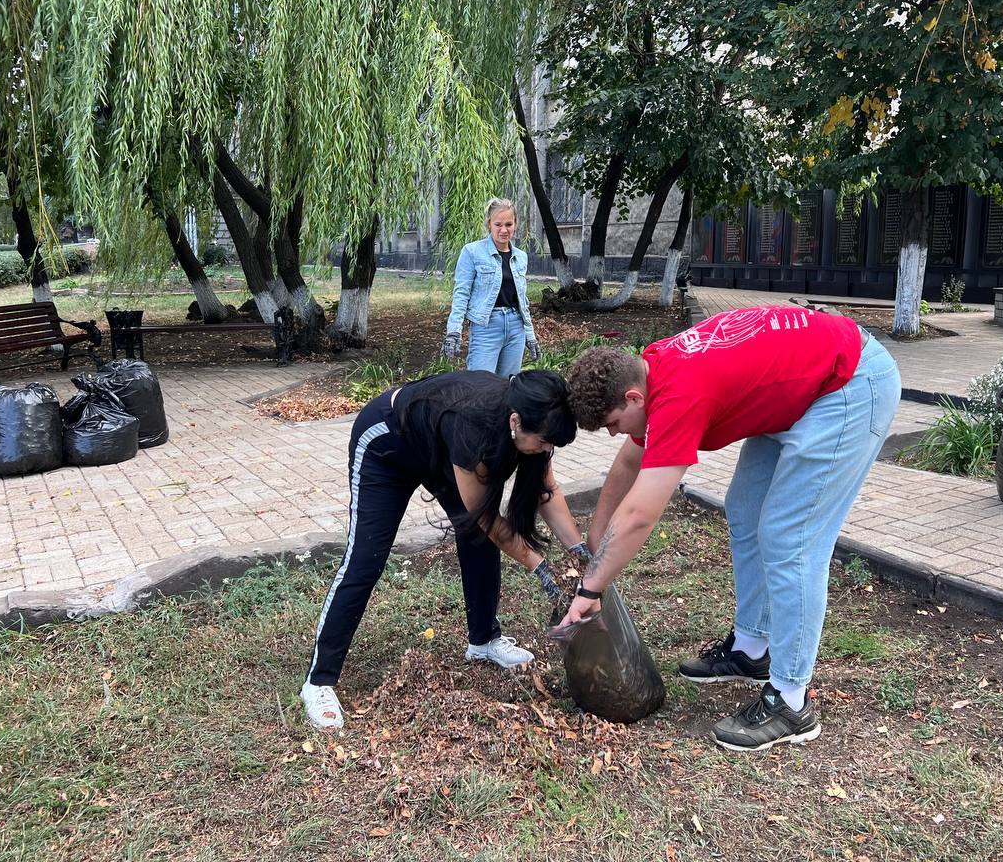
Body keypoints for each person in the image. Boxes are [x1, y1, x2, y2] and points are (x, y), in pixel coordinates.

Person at [562, 306, 900, 752]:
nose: (613, 435)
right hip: (802, 385)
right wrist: (595, 536)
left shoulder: (679, 394)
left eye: (612, 424)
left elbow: (642, 514)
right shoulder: (653, 369)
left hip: (848, 384)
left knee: (790, 538)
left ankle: (792, 702)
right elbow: (630, 459)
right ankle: (751, 650)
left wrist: (590, 590)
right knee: (744, 507)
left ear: (633, 399)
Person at [300, 369, 587, 730]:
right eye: (544, 443)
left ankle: (483, 640)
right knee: (365, 561)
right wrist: (541, 567)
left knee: (477, 542)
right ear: (516, 422)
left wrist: (579, 551)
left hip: (442, 450)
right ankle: (319, 682)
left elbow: (548, 492)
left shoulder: (533, 420)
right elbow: (486, 519)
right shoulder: (472, 422)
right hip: (388, 446)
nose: (547, 451)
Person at [442, 198, 541, 376]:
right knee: (480, 387)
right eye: (498, 224)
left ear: (515, 224)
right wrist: (454, 331)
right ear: (489, 224)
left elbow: (522, 300)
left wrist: (530, 335)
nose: (504, 230)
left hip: (515, 327)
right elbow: (461, 293)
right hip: (486, 327)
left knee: (508, 386)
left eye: (509, 224)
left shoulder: (521, 257)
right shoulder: (472, 252)